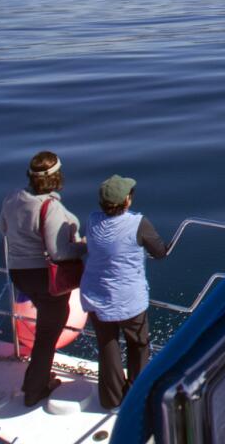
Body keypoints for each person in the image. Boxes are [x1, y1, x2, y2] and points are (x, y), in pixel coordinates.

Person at [0, 150, 87, 406]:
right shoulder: (50, 207)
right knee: (48, 334)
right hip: (45, 280)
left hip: (18, 273)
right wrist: (85, 246)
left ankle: (38, 378)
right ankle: (35, 387)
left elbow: (3, 228)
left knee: (45, 333)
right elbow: (60, 252)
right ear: (57, 176)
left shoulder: (12, 197)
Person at [79, 175, 168, 410]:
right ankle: (137, 397)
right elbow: (159, 251)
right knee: (139, 345)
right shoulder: (139, 223)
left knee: (108, 346)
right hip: (129, 300)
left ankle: (111, 399)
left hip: (96, 297)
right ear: (127, 200)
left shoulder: (92, 220)